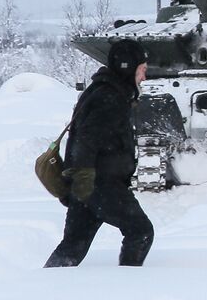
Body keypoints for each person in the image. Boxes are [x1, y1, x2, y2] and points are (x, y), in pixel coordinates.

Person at [45, 39, 155, 268]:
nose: (144, 77)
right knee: (140, 231)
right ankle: (129, 283)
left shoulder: (105, 89)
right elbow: (86, 140)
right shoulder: (110, 98)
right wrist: (84, 183)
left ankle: (46, 286)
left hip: (88, 185)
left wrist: (78, 187)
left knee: (73, 246)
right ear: (128, 67)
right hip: (100, 185)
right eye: (142, 70)